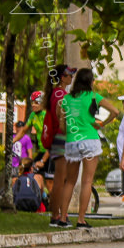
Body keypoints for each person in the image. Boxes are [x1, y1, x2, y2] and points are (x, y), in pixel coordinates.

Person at [59, 67, 120, 228]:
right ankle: (81, 220)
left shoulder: (66, 99)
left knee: (69, 182)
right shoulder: (94, 96)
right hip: (90, 140)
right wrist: (101, 124)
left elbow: (62, 123)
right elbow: (115, 111)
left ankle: (63, 218)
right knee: (87, 182)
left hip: (72, 141)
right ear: (91, 82)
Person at [44, 64, 75, 228]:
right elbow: (61, 116)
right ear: (63, 77)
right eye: (69, 75)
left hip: (58, 138)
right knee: (60, 181)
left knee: (60, 180)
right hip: (62, 138)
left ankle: (58, 214)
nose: (71, 78)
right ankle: (57, 216)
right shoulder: (60, 94)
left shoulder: (56, 93)